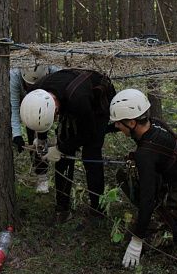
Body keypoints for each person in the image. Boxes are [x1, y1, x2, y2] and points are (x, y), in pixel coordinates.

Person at [108, 89, 177, 268]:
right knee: (125, 174)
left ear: (131, 122)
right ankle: (167, 216)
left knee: (137, 237)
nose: (117, 128)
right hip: (176, 184)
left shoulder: (146, 154)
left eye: (119, 124)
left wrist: (137, 240)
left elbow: (147, 198)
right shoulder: (155, 124)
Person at [20, 69, 116, 223]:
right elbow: (39, 119)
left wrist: (60, 148)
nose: (57, 117)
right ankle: (62, 209)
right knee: (63, 155)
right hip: (69, 98)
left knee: (90, 154)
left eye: (56, 114)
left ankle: (97, 210)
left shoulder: (78, 99)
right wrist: (42, 140)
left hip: (97, 102)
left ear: (55, 107)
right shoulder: (35, 93)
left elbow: (88, 133)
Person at [10, 65, 58, 193]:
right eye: (29, 85)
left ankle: (46, 176)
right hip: (26, 105)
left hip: (47, 102)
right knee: (32, 132)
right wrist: (17, 135)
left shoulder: (54, 72)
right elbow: (14, 107)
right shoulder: (14, 76)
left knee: (42, 137)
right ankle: (41, 176)